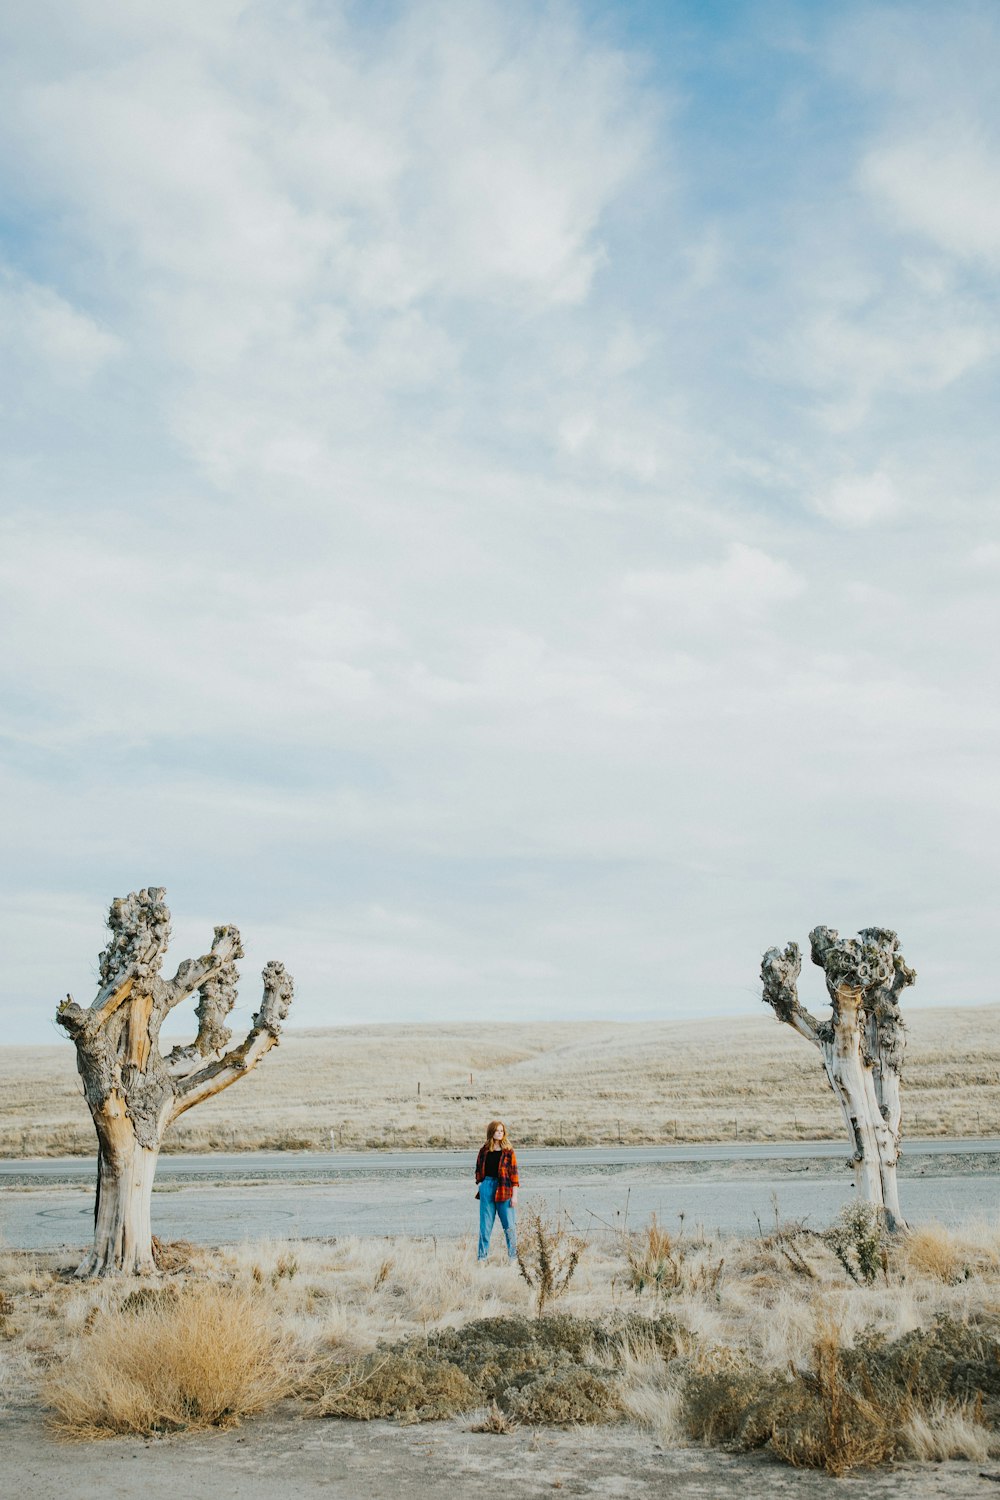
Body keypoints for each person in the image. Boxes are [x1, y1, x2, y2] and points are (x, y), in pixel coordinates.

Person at [474, 1119, 519, 1262]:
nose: (499, 1133)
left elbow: (514, 1175)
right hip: (487, 1186)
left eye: (501, 1131)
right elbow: (478, 1169)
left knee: (509, 1226)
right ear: (491, 1132)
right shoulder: (484, 1150)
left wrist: (514, 1196)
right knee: (485, 1226)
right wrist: (481, 1184)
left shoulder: (508, 1152)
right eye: (497, 1131)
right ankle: (482, 1258)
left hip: (505, 1189)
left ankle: (513, 1258)